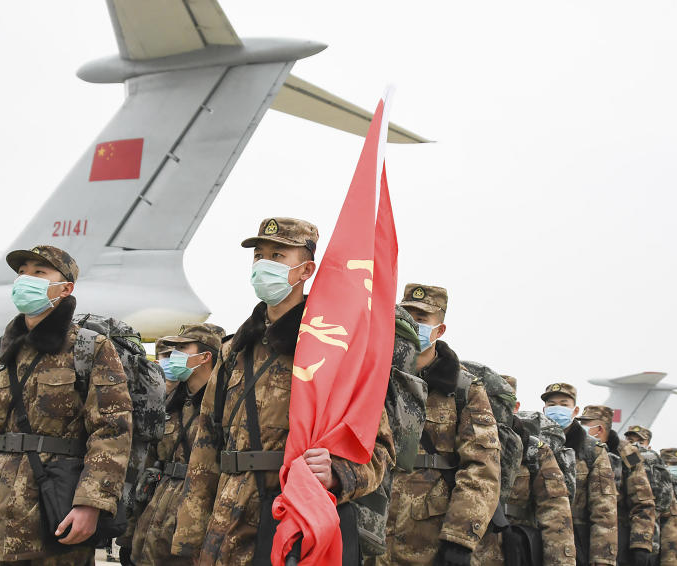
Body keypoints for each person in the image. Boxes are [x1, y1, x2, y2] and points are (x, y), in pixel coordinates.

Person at [171, 217, 395, 565]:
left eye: (278, 256)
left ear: (306, 270)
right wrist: (187, 543)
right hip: (223, 532)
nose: (264, 265)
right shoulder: (235, 350)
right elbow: (206, 446)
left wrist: (340, 473)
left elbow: (378, 448)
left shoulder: (331, 348)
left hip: (288, 524)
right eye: (259, 256)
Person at [0, 245, 134, 565]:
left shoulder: (88, 348)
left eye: (40, 273)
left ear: (65, 288)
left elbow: (112, 430)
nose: (27, 279)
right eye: (23, 272)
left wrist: (91, 503)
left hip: (54, 514)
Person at [375, 283, 501, 566]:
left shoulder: (464, 389)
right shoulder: (375, 375)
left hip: (428, 542)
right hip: (372, 535)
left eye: (421, 319)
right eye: (407, 316)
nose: (412, 324)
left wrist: (459, 539)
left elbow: (482, 467)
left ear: (439, 330)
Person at [129, 323, 226, 565]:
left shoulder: (224, 406)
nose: (174, 356)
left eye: (183, 348)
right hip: (154, 522)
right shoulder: (171, 403)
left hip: (194, 527)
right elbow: (148, 464)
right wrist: (129, 533)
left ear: (205, 357)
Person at [502, 375, 576, 565]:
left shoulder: (534, 447)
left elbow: (555, 511)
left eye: (563, 404)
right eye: (552, 404)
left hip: (519, 542)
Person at [542, 383, 619, 565]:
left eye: (564, 404)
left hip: (577, 541)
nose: (557, 408)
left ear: (575, 410)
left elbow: (604, 508)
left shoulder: (592, 450)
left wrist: (603, 558)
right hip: (536, 537)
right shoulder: (534, 441)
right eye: (551, 405)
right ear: (544, 410)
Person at [577, 405, 658, 566]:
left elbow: (643, 501)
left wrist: (640, 544)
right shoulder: (578, 447)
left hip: (617, 536)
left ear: (600, 428)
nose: (582, 429)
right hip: (579, 531)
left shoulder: (628, 454)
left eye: (587, 424)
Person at [623, 425, 677, 566]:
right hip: (623, 531)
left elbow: (664, 500)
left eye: (640, 442)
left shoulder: (648, 460)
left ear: (648, 444)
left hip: (647, 533)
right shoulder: (622, 456)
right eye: (630, 440)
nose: (635, 445)